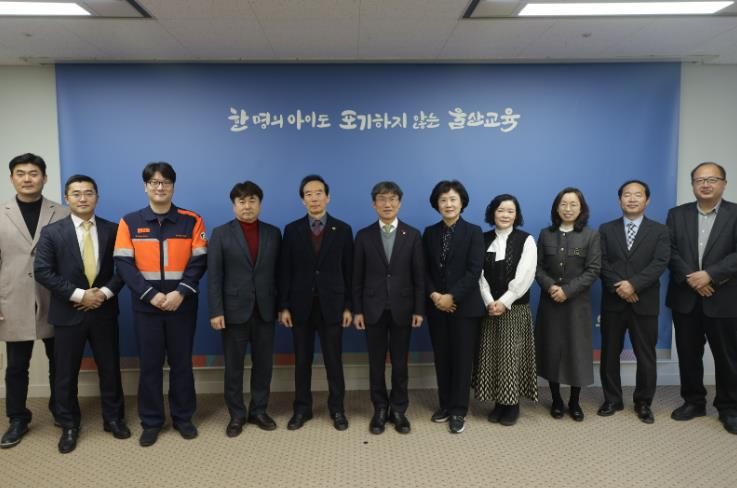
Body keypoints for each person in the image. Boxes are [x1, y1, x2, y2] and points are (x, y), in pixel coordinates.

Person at [114, 162, 207, 447]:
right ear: (145, 187)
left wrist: (181, 292)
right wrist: (150, 295)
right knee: (150, 366)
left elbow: (200, 260)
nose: (160, 187)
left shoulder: (192, 220)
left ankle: (183, 418)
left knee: (182, 364)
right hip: (147, 307)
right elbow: (123, 263)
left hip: (182, 305)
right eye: (154, 182)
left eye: (165, 182)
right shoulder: (130, 222)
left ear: (173, 187)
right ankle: (152, 421)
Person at [34, 174, 129, 453]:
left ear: (97, 197)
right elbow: (43, 271)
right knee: (65, 373)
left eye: (88, 193)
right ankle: (69, 425)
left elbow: (124, 269)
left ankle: (113, 419)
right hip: (68, 313)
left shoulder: (113, 229)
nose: (83, 198)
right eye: (76, 194)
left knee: (110, 368)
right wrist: (79, 295)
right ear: (67, 198)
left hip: (104, 310)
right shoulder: (52, 232)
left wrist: (103, 294)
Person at [0, 153, 69, 449]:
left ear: (44, 178)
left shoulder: (62, 213)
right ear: (11, 178)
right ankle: (17, 418)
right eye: (21, 173)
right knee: (17, 365)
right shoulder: (1, 213)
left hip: (55, 297)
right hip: (13, 298)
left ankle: (61, 410)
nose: (27, 179)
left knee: (60, 361)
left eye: (33, 173)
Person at [666, 162, 737, 435]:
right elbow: (670, 250)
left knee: (728, 357)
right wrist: (692, 278)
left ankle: (729, 407)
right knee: (688, 354)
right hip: (686, 297)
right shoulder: (677, 214)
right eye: (699, 180)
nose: (705, 184)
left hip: (724, 298)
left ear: (724, 184)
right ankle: (694, 402)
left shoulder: (734, 213)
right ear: (693, 184)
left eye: (712, 179)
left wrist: (710, 275)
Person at [278, 175, 353, 431]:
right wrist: (284, 306)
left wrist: (348, 306)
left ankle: (337, 409)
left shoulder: (343, 230)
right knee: (302, 361)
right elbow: (285, 271)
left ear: (328, 197)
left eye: (319, 193)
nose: (314, 198)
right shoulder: (292, 230)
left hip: (333, 306)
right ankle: (302, 408)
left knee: (334, 361)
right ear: (303, 200)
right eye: (308, 194)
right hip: (300, 307)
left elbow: (349, 271)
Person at [207, 181, 281, 437]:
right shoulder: (220, 233)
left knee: (264, 365)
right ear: (233, 205)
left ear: (260, 204)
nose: (247, 206)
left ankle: (259, 410)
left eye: (252, 200)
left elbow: (279, 274)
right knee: (234, 367)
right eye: (241, 201)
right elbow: (214, 276)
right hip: (232, 311)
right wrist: (216, 311)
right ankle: (236, 414)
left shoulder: (273, 233)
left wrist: (281, 306)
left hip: (265, 310)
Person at [352, 181, 424, 435]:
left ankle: (399, 410)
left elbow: (419, 276)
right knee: (376, 364)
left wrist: (419, 310)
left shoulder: (412, 235)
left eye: (392, 198)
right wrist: (357, 310)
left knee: (400, 364)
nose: (387, 203)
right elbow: (356, 277)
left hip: (404, 308)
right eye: (382, 199)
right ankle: (380, 408)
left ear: (399, 203)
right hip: (372, 309)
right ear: (374, 204)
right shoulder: (363, 235)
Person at [598, 180, 669, 424]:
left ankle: (643, 402)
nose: (632, 199)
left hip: (644, 302)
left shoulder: (660, 231)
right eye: (627, 195)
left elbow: (660, 263)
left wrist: (634, 285)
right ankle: (612, 399)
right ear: (620, 200)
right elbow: (601, 262)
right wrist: (621, 287)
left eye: (637, 195)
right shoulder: (606, 229)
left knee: (645, 355)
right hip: (614, 302)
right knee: (609, 353)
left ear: (647, 200)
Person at [423, 180, 485, 434]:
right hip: (436, 306)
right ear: (437, 204)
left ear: (462, 202)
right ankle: (445, 405)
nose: (448, 204)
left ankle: (459, 410)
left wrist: (452, 297)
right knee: (442, 357)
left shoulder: (474, 232)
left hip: (465, 308)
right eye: (443, 200)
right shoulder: (429, 233)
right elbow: (423, 269)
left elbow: (474, 271)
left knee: (462, 360)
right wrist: (435, 295)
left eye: (453, 199)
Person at [535, 187, 601, 421]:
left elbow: (593, 270)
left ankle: (574, 401)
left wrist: (567, 291)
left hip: (576, 304)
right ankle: (556, 399)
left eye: (574, 204)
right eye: (563, 204)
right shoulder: (546, 234)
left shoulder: (590, 236)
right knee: (551, 350)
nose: (568, 208)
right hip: (550, 302)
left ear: (581, 209)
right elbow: (537, 267)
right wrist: (551, 287)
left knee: (576, 352)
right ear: (556, 207)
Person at [473, 194, 538, 427]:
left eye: (510, 211)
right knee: (491, 356)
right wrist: (489, 301)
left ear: (516, 215)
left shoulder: (526, 240)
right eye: (500, 210)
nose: (505, 215)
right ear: (493, 213)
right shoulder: (482, 239)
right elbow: (478, 274)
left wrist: (505, 301)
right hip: (489, 308)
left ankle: (512, 405)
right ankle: (498, 403)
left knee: (511, 357)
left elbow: (526, 275)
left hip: (514, 308)